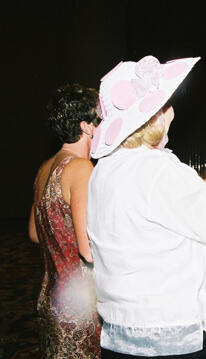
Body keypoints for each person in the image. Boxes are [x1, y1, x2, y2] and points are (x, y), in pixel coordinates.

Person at [87, 55, 206, 358]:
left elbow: (159, 214)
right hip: (176, 336)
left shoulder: (104, 170)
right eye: (166, 105)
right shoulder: (158, 169)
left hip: (122, 337)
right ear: (154, 118)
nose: (172, 112)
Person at [28, 83, 102, 358]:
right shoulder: (81, 168)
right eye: (101, 118)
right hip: (81, 303)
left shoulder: (45, 168)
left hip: (51, 296)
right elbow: (88, 252)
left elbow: (35, 233)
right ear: (87, 126)